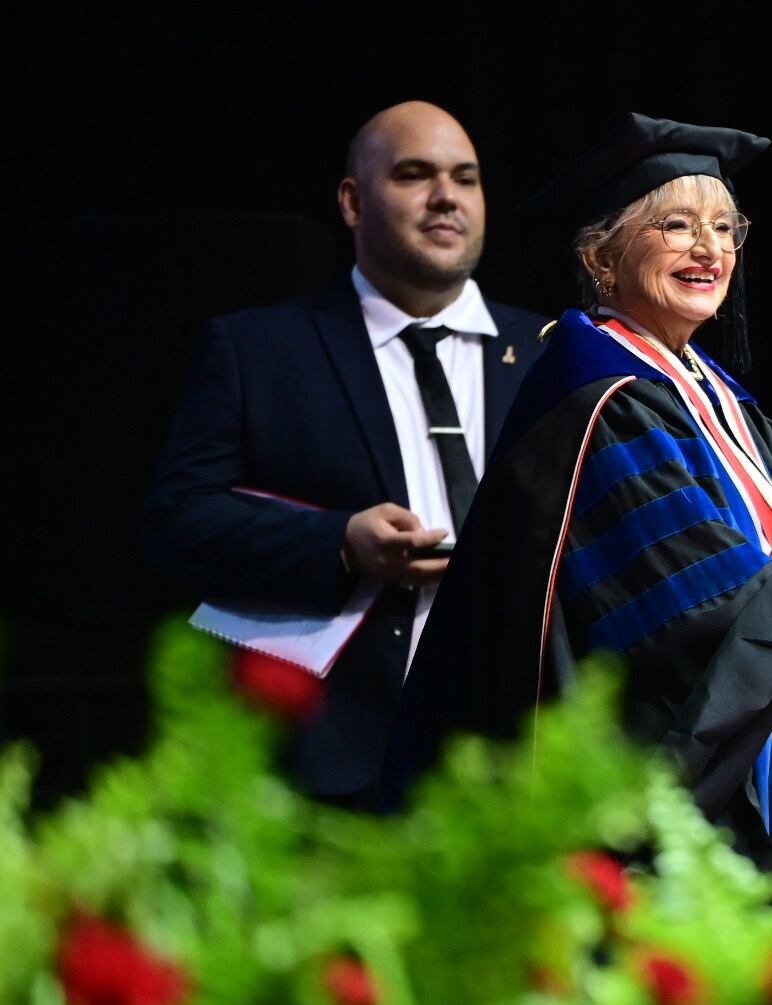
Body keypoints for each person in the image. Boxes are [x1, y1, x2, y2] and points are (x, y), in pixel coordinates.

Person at [389, 115, 772, 900]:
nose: (709, 250)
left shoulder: (717, 398)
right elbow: (692, 586)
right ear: (601, 256)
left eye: (724, 228)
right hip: (646, 773)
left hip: (761, 748)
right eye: (675, 226)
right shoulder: (599, 400)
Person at [143, 101, 547, 805]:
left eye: (466, 178)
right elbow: (175, 528)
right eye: (415, 175)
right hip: (338, 774)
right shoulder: (258, 351)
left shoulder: (553, 354)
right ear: (353, 202)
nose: (445, 196)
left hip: (524, 762)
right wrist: (339, 542)